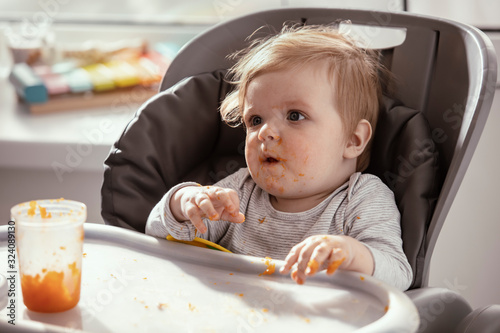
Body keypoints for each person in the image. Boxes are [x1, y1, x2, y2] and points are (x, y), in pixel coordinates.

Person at [146, 24, 413, 291]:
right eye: (255, 120)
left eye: (295, 115)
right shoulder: (239, 191)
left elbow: (398, 275)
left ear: (352, 140)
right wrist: (183, 204)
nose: (265, 132)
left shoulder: (361, 198)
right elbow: (157, 235)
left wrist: (353, 254)